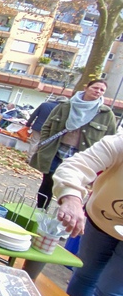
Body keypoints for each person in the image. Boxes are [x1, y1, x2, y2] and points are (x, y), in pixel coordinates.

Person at [52, 133, 123, 296]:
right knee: (84, 274)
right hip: (100, 219)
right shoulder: (119, 143)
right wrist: (71, 197)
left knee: (112, 292)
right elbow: (76, 165)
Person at [30, 79, 116, 208]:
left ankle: (63, 215)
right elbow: (47, 125)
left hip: (82, 156)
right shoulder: (65, 106)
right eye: (95, 88)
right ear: (86, 88)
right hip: (56, 151)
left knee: (72, 186)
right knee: (48, 181)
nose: (98, 91)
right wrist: (44, 143)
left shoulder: (106, 114)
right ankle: (40, 209)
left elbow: (110, 139)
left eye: (102, 90)